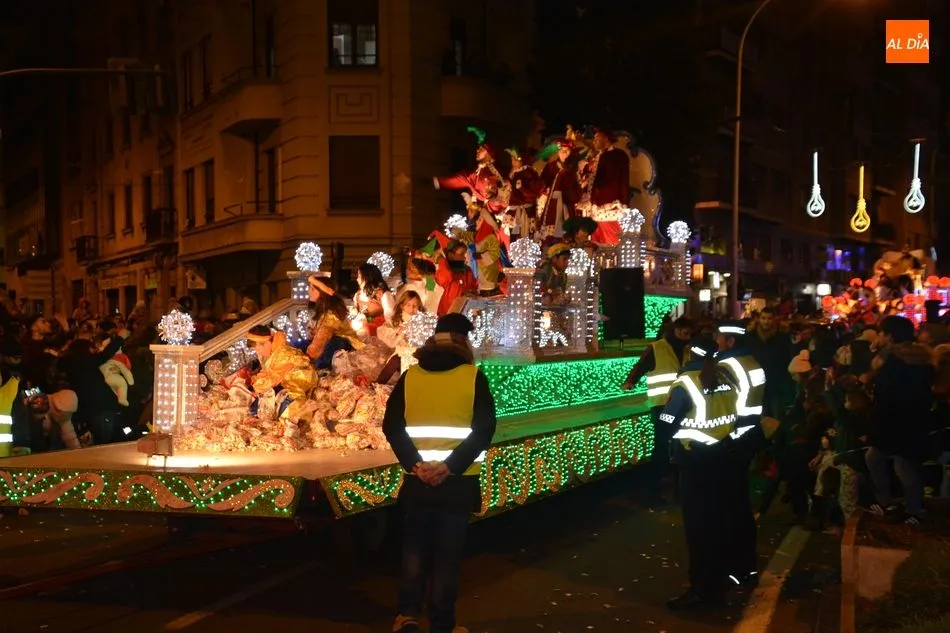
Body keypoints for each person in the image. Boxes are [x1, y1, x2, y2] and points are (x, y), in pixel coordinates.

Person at [383, 313, 497, 633]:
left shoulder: (411, 376)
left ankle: (406, 616)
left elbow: (391, 425)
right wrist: (450, 466)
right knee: (447, 556)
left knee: (414, 551)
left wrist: (416, 464)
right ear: (464, 342)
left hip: (416, 482)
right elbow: (484, 428)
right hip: (457, 483)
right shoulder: (473, 377)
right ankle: (442, 624)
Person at [660, 336, 771, 611]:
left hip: (696, 460)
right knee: (725, 518)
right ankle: (731, 574)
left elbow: (667, 421)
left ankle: (704, 589)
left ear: (689, 354)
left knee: (699, 527)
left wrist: (667, 427)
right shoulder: (727, 377)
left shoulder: (687, 382)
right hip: (726, 455)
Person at [865, 315, 934, 526]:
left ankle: (912, 511)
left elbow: (886, 397)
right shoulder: (921, 359)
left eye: (881, 333)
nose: (878, 337)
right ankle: (895, 504)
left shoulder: (893, 362)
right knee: (881, 459)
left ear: (889, 336)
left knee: (903, 467)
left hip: (895, 422)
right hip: (915, 420)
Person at [714, 321, 766, 587]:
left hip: (730, 440)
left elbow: (718, 406)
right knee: (741, 506)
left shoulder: (726, 366)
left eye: (719, 339)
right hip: (749, 436)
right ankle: (747, 567)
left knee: (728, 508)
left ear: (730, 341)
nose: (716, 343)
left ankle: (735, 568)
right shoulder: (752, 362)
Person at [622, 316, 694, 505]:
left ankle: (678, 491)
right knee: (662, 447)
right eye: (684, 333)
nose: (687, 337)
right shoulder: (658, 347)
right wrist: (631, 381)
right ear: (676, 330)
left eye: (689, 333)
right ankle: (655, 493)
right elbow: (641, 365)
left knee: (679, 446)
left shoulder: (688, 349)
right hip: (662, 405)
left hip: (681, 405)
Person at [434, 128, 510, 216]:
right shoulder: (478, 171)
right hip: (488, 209)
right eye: (478, 148)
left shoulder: (493, 169)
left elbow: (502, 186)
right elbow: (465, 178)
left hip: (497, 209)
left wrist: (493, 196)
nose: (477, 150)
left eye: (481, 149)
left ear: (488, 154)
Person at [305, 276, 363, 369]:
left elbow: (322, 338)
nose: (309, 291)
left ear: (322, 292)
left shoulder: (332, 312)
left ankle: (322, 369)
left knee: (335, 343)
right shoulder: (321, 309)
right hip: (328, 341)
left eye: (313, 289)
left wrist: (307, 358)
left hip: (344, 345)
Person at [537, 139, 582, 240]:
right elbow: (542, 185)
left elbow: (578, 189)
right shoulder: (550, 167)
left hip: (569, 204)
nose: (564, 153)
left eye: (567, 151)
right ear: (558, 153)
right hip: (553, 204)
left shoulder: (575, 168)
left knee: (569, 233)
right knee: (553, 233)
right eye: (562, 151)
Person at [504, 147, 544, 237]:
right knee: (515, 238)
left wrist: (522, 188)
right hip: (514, 213)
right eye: (512, 159)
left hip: (524, 213)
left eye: (516, 159)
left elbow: (534, 192)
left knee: (523, 238)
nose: (513, 162)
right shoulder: (515, 173)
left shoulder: (528, 173)